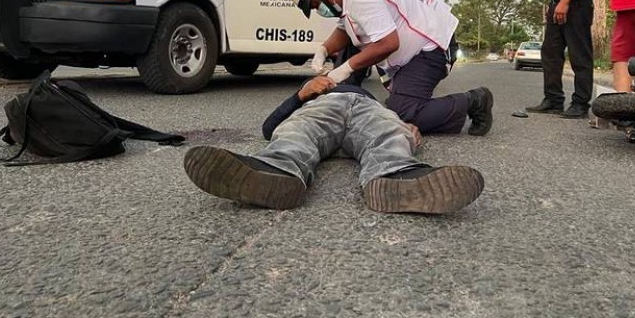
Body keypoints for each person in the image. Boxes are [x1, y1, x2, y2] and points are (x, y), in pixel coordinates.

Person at [183, 75, 485, 214]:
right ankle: (279, 170)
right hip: (324, 108)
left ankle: (395, 174)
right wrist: (301, 94)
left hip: (368, 110)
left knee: (388, 133)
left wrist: (406, 129)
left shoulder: (370, 96)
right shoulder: (317, 93)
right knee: (296, 130)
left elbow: (395, 123)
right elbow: (269, 127)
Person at [289, 0, 493, 136]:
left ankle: (474, 101)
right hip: (413, 52)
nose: (318, 11)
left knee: (403, 113)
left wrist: (342, 71)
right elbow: (346, 28)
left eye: (316, 5)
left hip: (434, 45)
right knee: (392, 108)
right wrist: (322, 50)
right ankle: (397, 99)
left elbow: (388, 43)